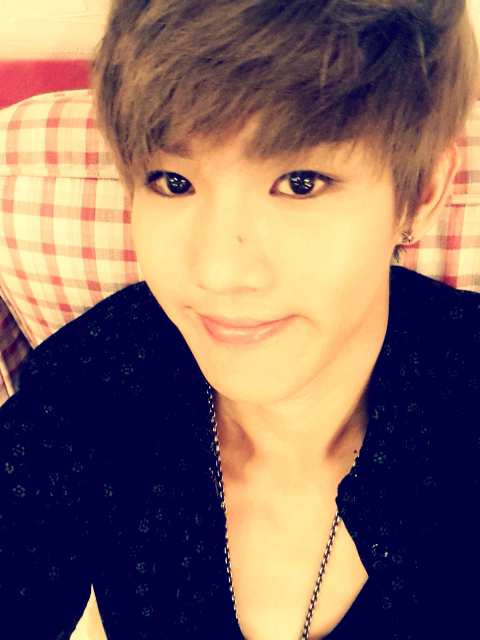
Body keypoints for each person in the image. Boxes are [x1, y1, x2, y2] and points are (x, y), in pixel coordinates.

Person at [2, 1, 479, 638]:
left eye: (301, 182)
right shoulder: (91, 389)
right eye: (172, 181)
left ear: (418, 194)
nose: (219, 273)